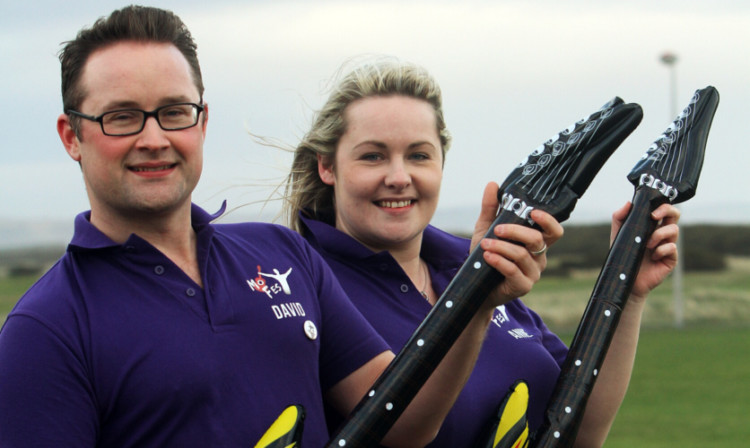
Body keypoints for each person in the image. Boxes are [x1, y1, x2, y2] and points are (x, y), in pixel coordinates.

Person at [0, 7, 555, 448]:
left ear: (202, 121)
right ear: (72, 136)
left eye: (174, 112)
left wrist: (479, 294)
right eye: (122, 116)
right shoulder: (45, 329)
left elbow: (404, 422)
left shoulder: (283, 255)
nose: (154, 138)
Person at [282, 58, 681, 447]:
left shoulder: (464, 260)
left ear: (441, 164)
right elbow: (396, 428)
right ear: (327, 167)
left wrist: (627, 288)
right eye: (373, 156)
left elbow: (579, 430)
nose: (399, 177)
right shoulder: (303, 282)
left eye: (419, 155)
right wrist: (476, 301)